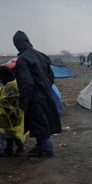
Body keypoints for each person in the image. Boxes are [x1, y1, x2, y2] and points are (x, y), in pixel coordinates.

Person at [13, 30, 62, 158]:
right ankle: (40, 146)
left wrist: (23, 101)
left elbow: (26, 82)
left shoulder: (22, 60)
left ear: (17, 45)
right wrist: (45, 87)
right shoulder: (42, 55)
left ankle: (46, 149)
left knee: (39, 122)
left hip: (34, 97)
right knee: (41, 121)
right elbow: (50, 76)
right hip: (45, 94)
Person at [0, 65, 26, 157]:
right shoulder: (7, 84)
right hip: (7, 113)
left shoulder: (11, 86)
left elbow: (8, 99)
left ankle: (21, 148)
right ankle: (9, 149)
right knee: (9, 131)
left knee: (13, 131)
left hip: (12, 113)